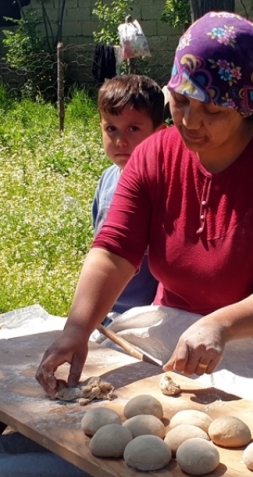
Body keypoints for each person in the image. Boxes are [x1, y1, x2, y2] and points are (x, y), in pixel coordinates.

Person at [36, 12, 253, 396]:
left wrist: (220, 325)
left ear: (247, 107)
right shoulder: (155, 155)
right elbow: (114, 249)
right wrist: (76, 330)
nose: (190, 121)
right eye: (179, 101)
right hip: (176, 333)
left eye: (213, 111)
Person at [92, 74, 164, 319]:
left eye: (133, 128)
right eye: (111, 128)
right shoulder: (107, 180)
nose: (121, 141)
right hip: (107, 312)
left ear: (160, 133)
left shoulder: (165, 186)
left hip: (150, 316)